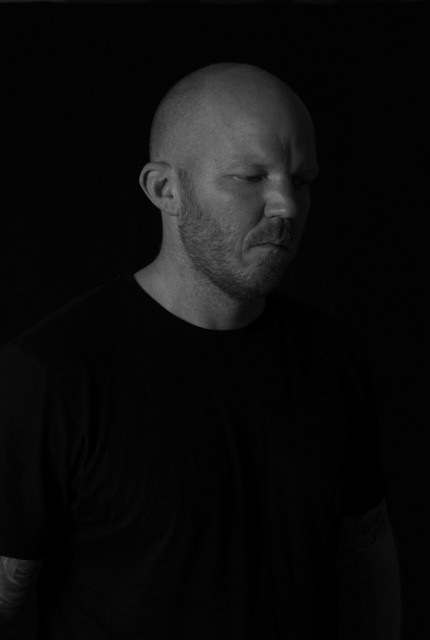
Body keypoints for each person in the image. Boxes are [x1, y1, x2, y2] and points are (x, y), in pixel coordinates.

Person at [0, 63, 402, 639]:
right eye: (250, 177)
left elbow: (365, 549)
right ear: (165, 190)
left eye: (301, 179)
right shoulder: (51, 373)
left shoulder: (331, 357)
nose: (286, 205)